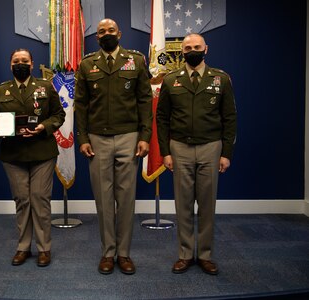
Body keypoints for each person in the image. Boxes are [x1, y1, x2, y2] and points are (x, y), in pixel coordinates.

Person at [75, 19, 152, 275]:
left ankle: (124, 253)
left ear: (119, 34)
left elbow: (144, 100)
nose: (106, 35)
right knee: (104, 199)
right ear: (96, 37)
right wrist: (83, 138)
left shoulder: (136, 60)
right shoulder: (87, 64)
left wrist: (145, 136)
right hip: (97, 138)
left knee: (126, 198)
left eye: (110, 31)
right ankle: (108, 252)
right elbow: (81, 105)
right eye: (101, 32)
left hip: (130, 136)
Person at [156, 33, 237, 275]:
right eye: (188, 47)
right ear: (182, 51)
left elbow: (230, 118)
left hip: (211, 147)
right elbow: (161, 118)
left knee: (206, 204)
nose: (193, 50)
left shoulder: (220, 79)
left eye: (197, 47)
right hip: (179, 147)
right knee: (182, 205)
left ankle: (204, 255)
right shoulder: (171, 80)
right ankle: (184, 254)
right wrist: (165, 153)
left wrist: (226, 153)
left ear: (206, 49)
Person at [0, 49, 65, 267]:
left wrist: (44, 126)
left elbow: (59, 115)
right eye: (16, 61)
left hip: (42, 152)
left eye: (24, 61)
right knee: (22, 201)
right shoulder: (1, 90)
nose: (20, 64)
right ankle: (23, 247)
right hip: (13, 155)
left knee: (40, 199)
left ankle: (44, 248)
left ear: (32, 64)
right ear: (10, 64)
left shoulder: (45, 86)